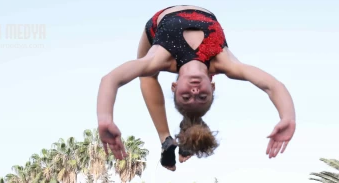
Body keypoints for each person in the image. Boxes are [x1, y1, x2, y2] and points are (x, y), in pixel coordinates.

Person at [97, 5, 296, 170]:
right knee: (146, 73)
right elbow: (272, 86)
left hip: (158, 23)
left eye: (186, 97)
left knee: (146, 75)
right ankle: (168, 139)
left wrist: (105, 118)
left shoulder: (160, 58)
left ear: (174, 86)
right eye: (202, 97)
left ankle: (165, 138)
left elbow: (111, 79)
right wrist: (287, 117)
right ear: (212, 85)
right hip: (204, 16)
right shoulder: (225, 63)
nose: (194, 91)